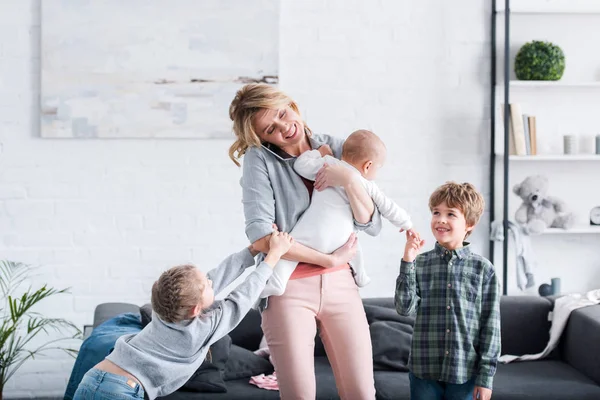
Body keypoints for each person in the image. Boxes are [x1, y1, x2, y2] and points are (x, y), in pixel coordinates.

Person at [229, 83, 380, 399]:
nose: (285, 127)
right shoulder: (260, 161)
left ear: (291, 105)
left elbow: (370, 221)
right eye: (271, 128)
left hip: (342, 286)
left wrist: (351, 179)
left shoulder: (337, 146)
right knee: (298, 395)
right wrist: (328, 259)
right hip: (289, 291)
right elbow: (262, 236)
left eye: (283, 114)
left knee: (362, 394)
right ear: (263, 137)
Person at [73, 230, 294, 400]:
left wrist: (252, 250)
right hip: (120, 391)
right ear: (195, 309)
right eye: (208, 285)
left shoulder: (164, 309)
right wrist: (273, 257)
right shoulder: (199, 331)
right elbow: (241, 298)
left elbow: (216, 278)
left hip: (93, 378)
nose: (211, 282)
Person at [261, 128, 418, 298]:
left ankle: (277, 282)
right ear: (368, 166)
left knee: (286, 253)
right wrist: (407, 224)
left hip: (314, 232)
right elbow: (388, 206)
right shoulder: (367, 184)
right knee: (353, 244)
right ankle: (361, 275)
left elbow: (300, 166)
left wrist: (318, 153)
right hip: (341, 238)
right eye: (378, 169)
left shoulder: (328, 164)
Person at [394, 182, 501, 400]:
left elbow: (491, 327)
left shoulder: (484, 269)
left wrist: (486, 378)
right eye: (436, 212)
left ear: (469, 223)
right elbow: (404, 309)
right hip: (424, 370)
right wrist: (408, 260)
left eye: (451, 214)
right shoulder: (420, 263)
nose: (441, 219)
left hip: (465, 371)